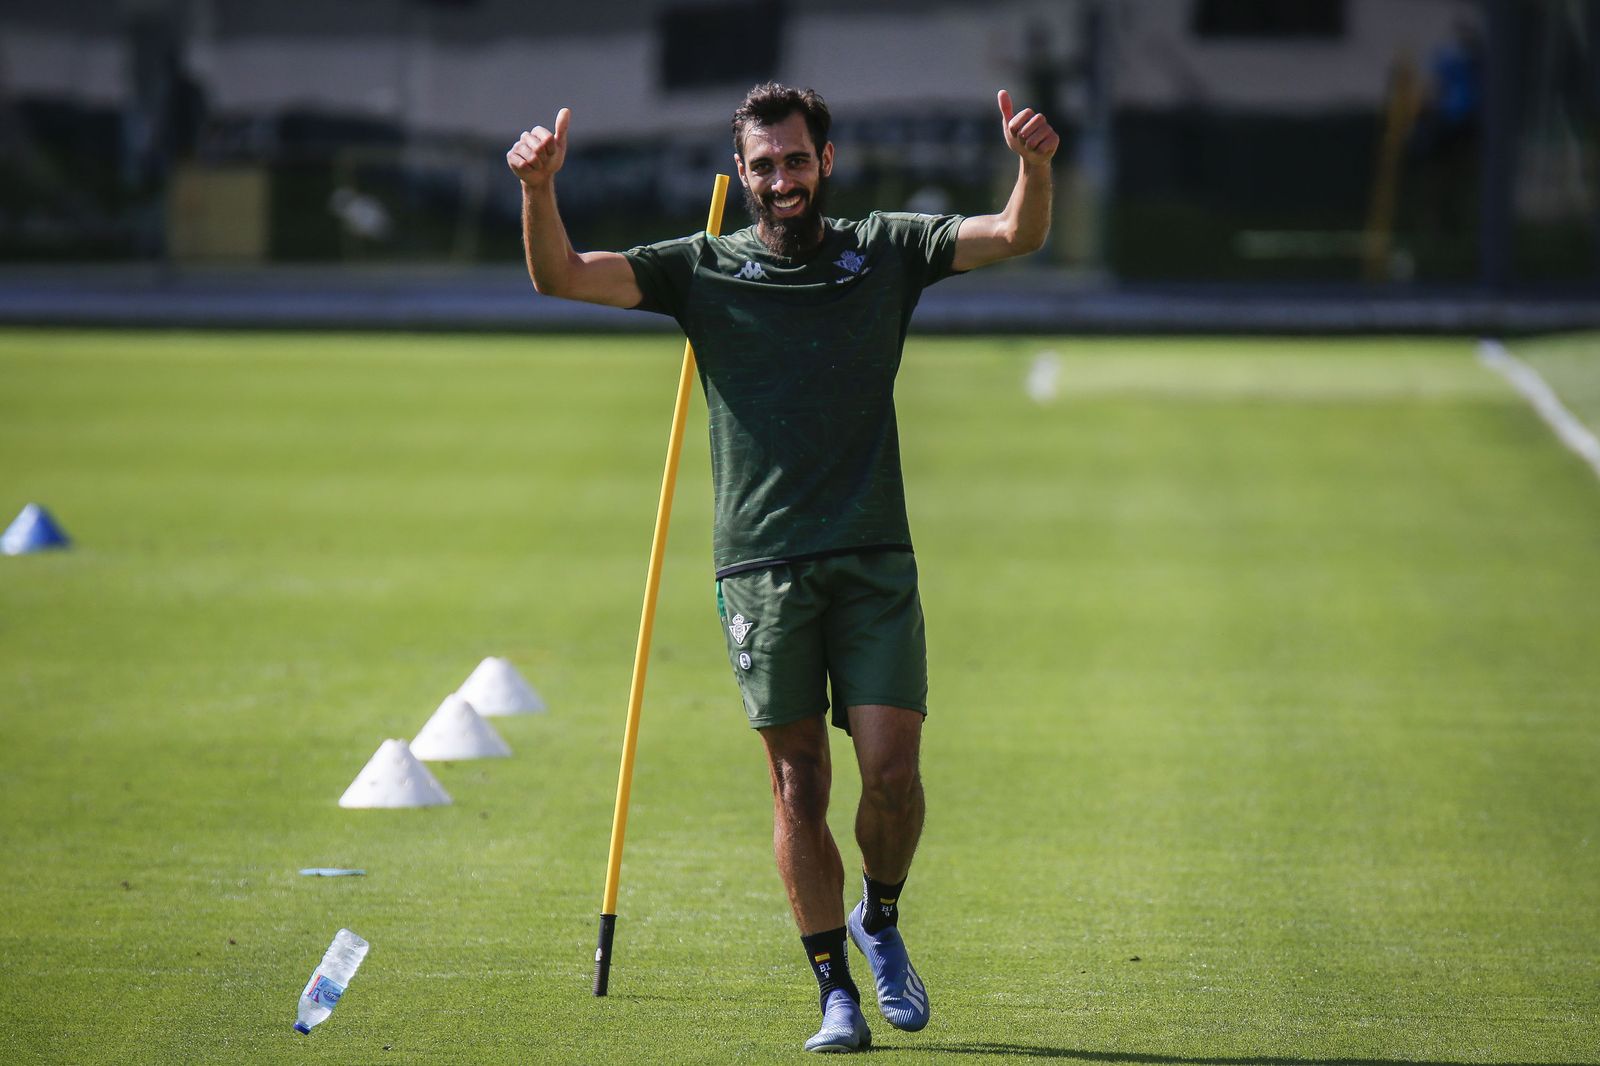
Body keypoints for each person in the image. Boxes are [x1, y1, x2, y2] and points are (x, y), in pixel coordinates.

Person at [507, 82, 1057, 1053]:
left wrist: (1034, 166)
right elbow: (562, 275)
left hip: (873, 556)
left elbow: (1015, 233)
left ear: (825, 162)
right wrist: (538, 189)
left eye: (796, 160)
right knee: (798, 784)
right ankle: (834, 992)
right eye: (762, 165)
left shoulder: (884, 249)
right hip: (761, 568)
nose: (780, 179)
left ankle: (880, 914)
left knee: (892, 777)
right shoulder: (701, 266)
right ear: (741, 171)